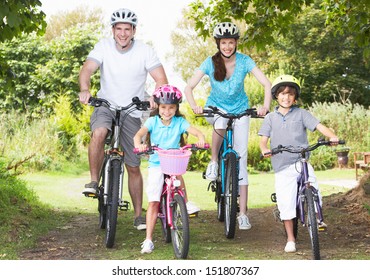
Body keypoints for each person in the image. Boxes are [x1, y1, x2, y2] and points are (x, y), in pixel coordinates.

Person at [78, 8, 168, 230]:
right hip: (106, 104)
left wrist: (157, 94)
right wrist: (85, 89)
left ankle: (139, 215)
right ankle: (92, 181)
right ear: (113, 30)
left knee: (133, 166)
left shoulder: (145, 51)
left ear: (134, 31)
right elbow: (87, 69)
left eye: (127, 29)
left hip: (132, 109)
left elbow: (160, 78)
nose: (123, 33)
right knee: (99, 133)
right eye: (119, 29)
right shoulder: (103, 46)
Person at [184, 22, 271, 230]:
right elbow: (188, 87)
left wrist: (265, 106)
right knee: (221, 121)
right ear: (218, 44)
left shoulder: (245, 61)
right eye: (224, 43)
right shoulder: (209, 62)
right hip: (216, 109)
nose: (227, 47)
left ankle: (242, 214)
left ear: (235, 43)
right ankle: (214, 161)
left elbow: (266, 84)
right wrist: (195, 106)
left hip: (241, 110)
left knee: (241, 160)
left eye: (231, 42)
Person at [258, 74, 339, 253]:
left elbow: (319, 126)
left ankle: (316, 216)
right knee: (286, 201)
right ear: (276, 96)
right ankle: (291, 239)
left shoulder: (301, 114)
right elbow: (263, 140)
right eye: (282, 94)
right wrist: (264, 149)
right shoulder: (270, 117)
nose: (286, 97)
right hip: (282, 164)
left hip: (301, 160)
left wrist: (331, 136)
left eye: (290, 94)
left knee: (313, 183)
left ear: (295, 97)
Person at [134, 84, 206, 254]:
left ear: (176, 108)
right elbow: (138, 135)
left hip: (173, 160)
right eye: (164, 107)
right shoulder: (152, 121)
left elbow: (196, 132)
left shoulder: (180, 122)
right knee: (153, 201)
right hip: (157, 163)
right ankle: (148, 239)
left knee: (179, 177)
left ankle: (185, 204)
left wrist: (201, 138)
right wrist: (140, 145)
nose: (167, 111)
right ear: (158, 106)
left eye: (171, 107)